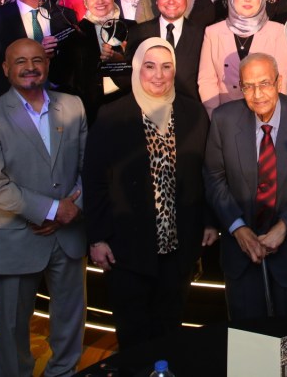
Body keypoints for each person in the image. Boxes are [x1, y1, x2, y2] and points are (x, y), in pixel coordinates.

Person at [83, 38, 215, 350]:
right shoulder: (111, 115)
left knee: (170, 330)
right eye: (150, 66)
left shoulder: (194, 113)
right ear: (136, 69)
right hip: (127, 248)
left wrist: (209, 220)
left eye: (166, 67)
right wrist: (97, 238)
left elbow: (206, 173)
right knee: (134, 336)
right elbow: (95, 180)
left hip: (179, 246)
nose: (158, 75)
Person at [0, 38, 87, 377]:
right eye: (20, 61)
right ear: (6, 69)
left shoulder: (73, 106)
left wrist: (72, 209)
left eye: (37, 60)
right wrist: (52, 210)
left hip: (68, 235)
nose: (30, 67)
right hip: (15, 238)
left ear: (47, 65)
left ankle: (63, 372)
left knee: (70, 321)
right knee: (13, 329)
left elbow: (89, 167)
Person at [203, 53, 287, 319]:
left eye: (264, 83)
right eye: (248, 86)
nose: (257, 94)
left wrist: (284, 227)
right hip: (241, 257)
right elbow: (214, 178)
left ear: (279, 81)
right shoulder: (224, 119)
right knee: (246, 339)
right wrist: (238, 228)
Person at [198, 0, 287, 115]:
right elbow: (206, 80)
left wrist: (275, 115)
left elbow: (281, 79)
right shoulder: (212, 32)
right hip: (226, 113)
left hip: (265, 112)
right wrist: (215, 115)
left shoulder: (276, 31)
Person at [126, 0, 204, 102]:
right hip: (147, 109)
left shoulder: (202, 35)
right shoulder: (138, 33)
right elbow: (129, 77)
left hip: (189, 109)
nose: (171, 1)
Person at [71, 0, 133, 121]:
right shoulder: (77, 32)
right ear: (85, 2)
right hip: (91, 107)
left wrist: (120, 59)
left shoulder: (131, 27)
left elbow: (141, 68)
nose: (100, 1)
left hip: (127, 100)